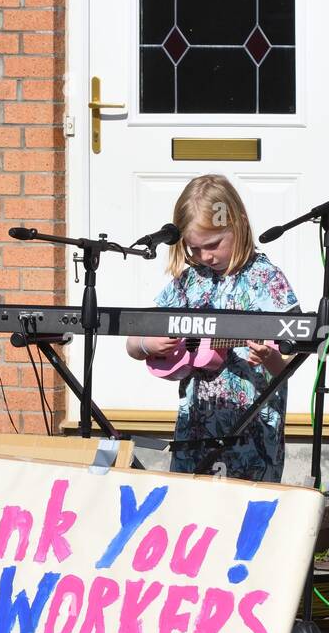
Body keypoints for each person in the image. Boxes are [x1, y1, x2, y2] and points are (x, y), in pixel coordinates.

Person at [127, 174, 298, 483]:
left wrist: (268, 358)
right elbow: (132, 342)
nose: (204, 256)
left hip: (252, 434)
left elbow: (288, 361)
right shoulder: (188, 281)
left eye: (213, 245)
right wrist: (147, 345)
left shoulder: (266, 280)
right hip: (195, 432)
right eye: (193, 249)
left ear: (240, 224)